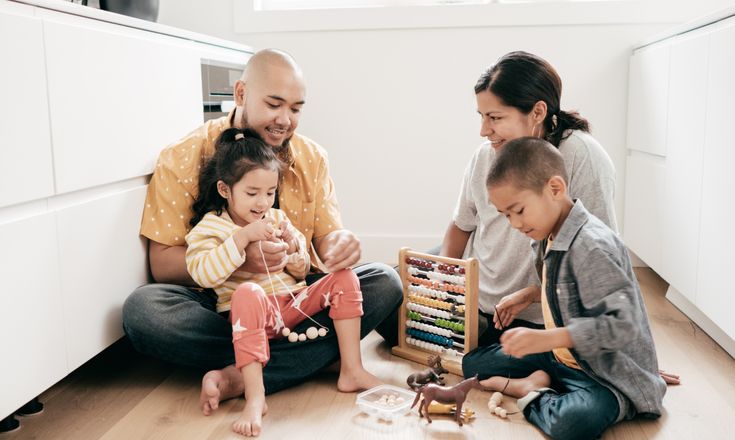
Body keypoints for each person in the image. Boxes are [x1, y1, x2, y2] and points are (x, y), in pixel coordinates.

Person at [122, 49, 402, 420]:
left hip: (294, 302)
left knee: (384, 281)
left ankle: (243, 376)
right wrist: (239, 257)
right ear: (240, 94)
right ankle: (314, 358)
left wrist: (340, 244)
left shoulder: (312, 157)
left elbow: (323, 242)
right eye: (274, 104)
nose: (285, 120)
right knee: (145, 313)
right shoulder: (184, 156)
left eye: (296, 109)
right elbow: (162, 264)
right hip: (220, 307)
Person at [463, 137, 666, 440]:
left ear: (555, 189)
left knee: (572, 424)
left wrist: (547, 338)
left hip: (603, 374)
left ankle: (531, 390)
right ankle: (544, 379)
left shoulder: (593, 246)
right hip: (560, 357)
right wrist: (530, 295)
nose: (514, 223)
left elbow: (623, 325)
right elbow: (563, 287)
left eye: (518, 210)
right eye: (506, 215)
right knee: (472, 364)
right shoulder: (546, 233)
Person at [186, 128, 381, 436]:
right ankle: (255, 395)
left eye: (270, 192)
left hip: (293, 307)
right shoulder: (210, 228)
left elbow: (303, 272)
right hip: (249, 319)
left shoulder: (277, 219)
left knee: (345, 276)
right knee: (247, 292)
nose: (263, 203)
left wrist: (294, 250)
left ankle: (352, 370)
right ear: (225, 190)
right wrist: (241, 239)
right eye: (252, 193)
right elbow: (202, 273)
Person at [441, 51, 617, 345]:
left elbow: (604, 259)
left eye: (495, 118)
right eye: (482, 117)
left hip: (537, 317)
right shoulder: (485, 154)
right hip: (480, 300)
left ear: (537, 112)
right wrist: (446, 284)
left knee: (502, 359)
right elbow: (462, 224)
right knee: (394, 291)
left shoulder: (582, 156)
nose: (484, 131)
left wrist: (617, 350)